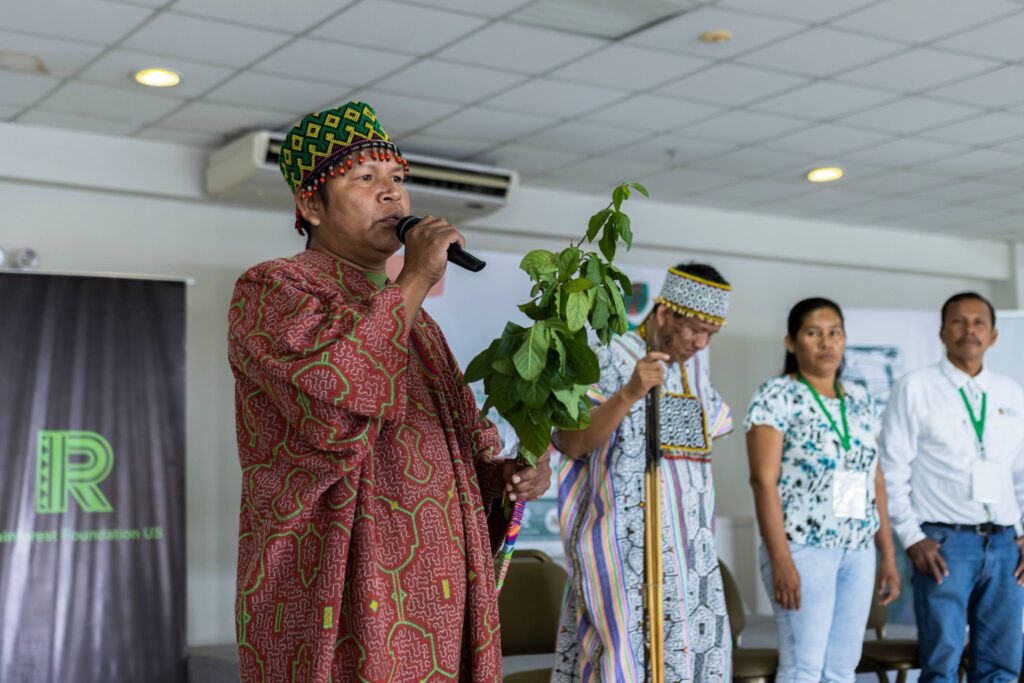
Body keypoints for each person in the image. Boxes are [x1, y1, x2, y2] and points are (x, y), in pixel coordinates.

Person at [226, 101, 551, 682]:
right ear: (309, 204)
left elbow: (457, 445)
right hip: (343, 581)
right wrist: (418, 277)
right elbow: (334, 403)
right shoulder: (273, 287)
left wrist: (503, 477)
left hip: (436, 587)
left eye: (397, 179)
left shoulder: (417, 321)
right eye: (365, 179)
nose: (392, 195)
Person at [552, 263, 735, 683]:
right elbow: (572, 442)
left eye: (710, 334)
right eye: (693, 330)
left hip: (690, 556)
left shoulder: (694, 373)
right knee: (622, 660)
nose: (700, 342)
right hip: (623, 548)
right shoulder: (607, 354)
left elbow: (713, 434)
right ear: (665, 313)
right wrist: (630, 393)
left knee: (689, 661)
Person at [745, 297, 900, 683]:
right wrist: (782, 561)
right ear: (791, 342)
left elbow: (874, 478)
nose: (826, 343)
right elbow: (762, 481)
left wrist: (888, 554)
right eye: (814, 333)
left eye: (835, 333)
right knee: (804, 667)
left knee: (842, 668)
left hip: (858, 548)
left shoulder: (860, 398)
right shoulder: (776, 395)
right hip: (802, 547)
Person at [881, 292, 1024, 683]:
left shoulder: (1011, 393)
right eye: (958, 322)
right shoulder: (916, 388)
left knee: (1002, 664)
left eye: (979, 323)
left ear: (993, 335)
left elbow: (1021, 475)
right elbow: (891, 470)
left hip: (1005, 546)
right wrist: (911, 538)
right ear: (942, 332)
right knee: (941, 663)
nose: (969, 331)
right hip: (944, 545)